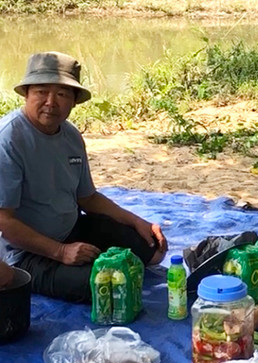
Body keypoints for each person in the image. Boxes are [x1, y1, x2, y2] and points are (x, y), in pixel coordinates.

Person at [0, 52, 167, 304]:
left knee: (151, 249)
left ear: (74, 101)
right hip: (28, 253)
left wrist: (137, 222)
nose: (51, 102)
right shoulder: (9, 139)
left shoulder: (71, 136)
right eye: (41, 92)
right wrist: (61, 252)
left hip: (73, 229)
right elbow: (5, 221)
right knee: (106, 287)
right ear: (27, 94)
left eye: (62, 94)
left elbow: (88, 198)